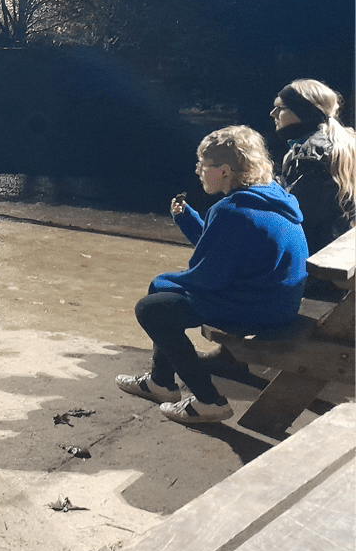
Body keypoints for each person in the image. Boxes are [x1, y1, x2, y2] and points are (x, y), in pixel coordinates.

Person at [116, 126, 308, 424]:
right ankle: (160, 382)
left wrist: (162, 282)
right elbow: (225, 248)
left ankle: (208, 401)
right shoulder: (271, 196)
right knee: (166, 302)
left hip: (257, 308)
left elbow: (208, 277)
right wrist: (187, 219)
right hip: (278, 300)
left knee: (152, 309)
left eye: (204, 165)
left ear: (225, 170)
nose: (198, 171)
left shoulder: (230, 210)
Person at [270, 79, 355, 255]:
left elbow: (298, 214)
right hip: (341, 243)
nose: (273, 113)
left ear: (305, 112)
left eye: (281, 108)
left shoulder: (311, 156)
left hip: (319, 254)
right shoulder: (344, 141)